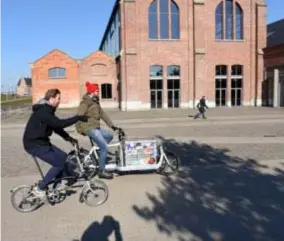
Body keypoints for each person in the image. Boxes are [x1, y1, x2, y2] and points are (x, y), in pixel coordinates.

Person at [23, 88, 88, 199]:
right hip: (34, 144)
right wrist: (77, 118)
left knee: (64, 157)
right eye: (58, 98)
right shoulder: (43, 111)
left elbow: (55, 127)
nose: (59, 101)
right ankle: (40, 188)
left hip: (42, 142)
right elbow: (59, 124)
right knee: (59, 163)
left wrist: (68, 138)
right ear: (52, 98)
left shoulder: (48, 110)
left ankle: (57, 185)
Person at [75, 81, 119, 179]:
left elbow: (103, 114)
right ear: (91, 91)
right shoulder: (85, 103)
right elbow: (78, 116)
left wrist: (112, 126)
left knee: (109, 136)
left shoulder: (95, 101)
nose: (98, 92)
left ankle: (99, 154)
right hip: (89, 127)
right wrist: (80, 129)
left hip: (96, 127)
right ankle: (101, 171)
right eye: (97, 90)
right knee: (104, 147)